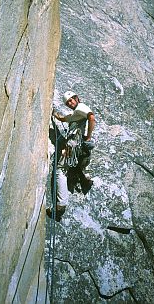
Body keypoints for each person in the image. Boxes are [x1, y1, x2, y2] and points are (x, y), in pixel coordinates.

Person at [47, 91, 96, 222]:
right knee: (68, 167)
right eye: (68, 102)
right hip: (76, 147)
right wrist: (54, 114)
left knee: (60, 170)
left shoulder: (81, 107)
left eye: (71, 100)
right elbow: (64, 118)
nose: (70, 103)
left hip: (73, 146)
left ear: (76, 98)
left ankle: (61, 203)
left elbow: (91, 117)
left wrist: (89, 136)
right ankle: (83, 176)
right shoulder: (76, 114)